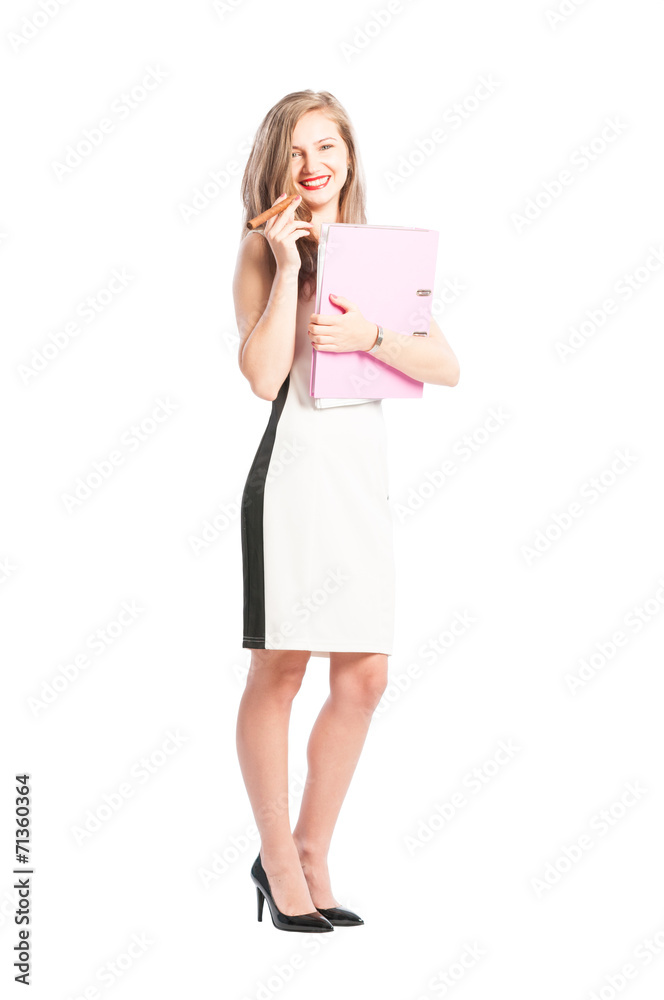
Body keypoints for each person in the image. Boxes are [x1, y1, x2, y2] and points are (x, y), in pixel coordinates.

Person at [233, 90, 460, 932]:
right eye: (296, 150)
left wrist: (373, 337)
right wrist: (288, 266)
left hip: (360, 484)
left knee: (365, 676)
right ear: (277, 162)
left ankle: (312, 849)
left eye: (327, 146)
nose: (313, 164)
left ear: (350, 157)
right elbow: (263, 377)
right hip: (292, 480)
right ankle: (277, 861)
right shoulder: (261, 249)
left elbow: (446, 365)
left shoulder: (376, 259)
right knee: (281, 670)